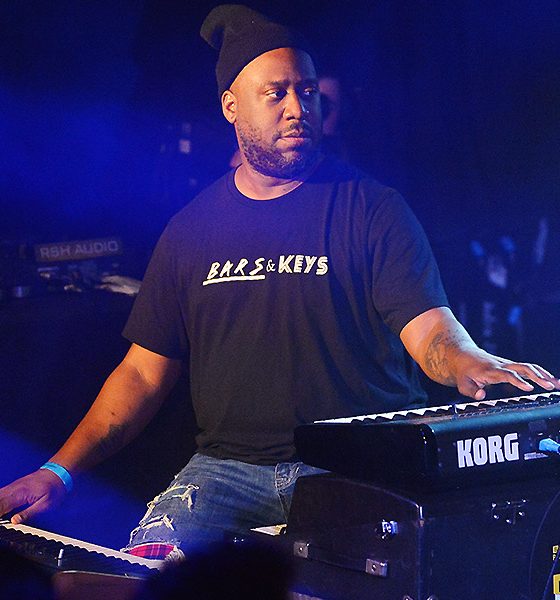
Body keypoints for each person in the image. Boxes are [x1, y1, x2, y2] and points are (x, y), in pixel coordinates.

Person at [0, 5, 558, 559]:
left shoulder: (372, 209)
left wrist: (471, 361)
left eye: (308, 92)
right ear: (231, 105)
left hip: (354, 466)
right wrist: (59, 473)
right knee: (143, 576)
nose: (298, 108)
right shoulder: (190, 231)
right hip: (226, 474)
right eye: (277, 93)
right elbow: (142, 376)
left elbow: (431, 333)